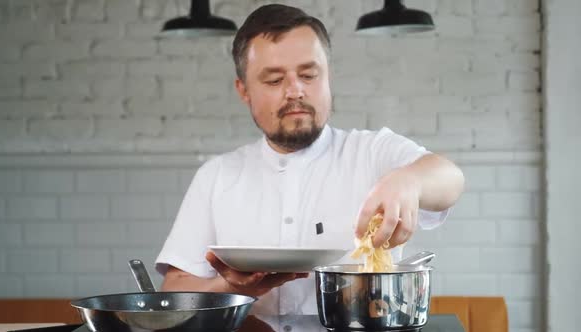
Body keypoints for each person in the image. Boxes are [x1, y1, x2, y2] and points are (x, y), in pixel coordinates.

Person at [155, 4, 464, 315]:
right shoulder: (216, 175)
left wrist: (408, 180)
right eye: (274, 80)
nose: (295, 91)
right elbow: (174, 292)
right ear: (244, 90)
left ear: (327, 76)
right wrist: (234, 288)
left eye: (308, 74)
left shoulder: (372, 151)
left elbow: (449, 177)